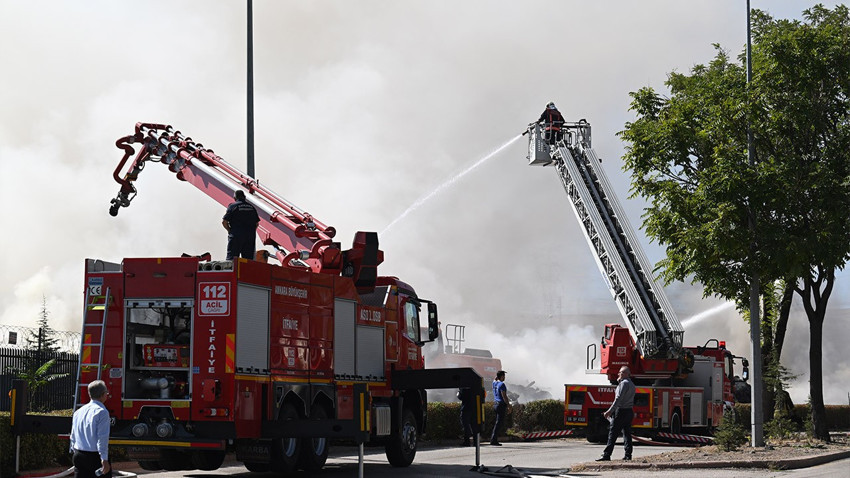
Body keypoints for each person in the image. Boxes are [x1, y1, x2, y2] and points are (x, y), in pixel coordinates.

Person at [70, 380, 111, 478]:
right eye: (106, 392)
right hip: (94, 457)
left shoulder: (78, 412)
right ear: (102, 394)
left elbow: (73, 435)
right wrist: (104, 459)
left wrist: (74, 451)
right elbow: (102, 438)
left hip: (79, 454)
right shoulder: (102, 412)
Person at [597, 366, 635, 461]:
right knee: (627, 434)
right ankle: (628, 455)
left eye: (620, 372)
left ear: (625, 374)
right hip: (629, 411)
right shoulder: (632, 384)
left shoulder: (623, 384)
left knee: (612, 434)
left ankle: (606, 455)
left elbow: (618, 399)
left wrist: (609, 411)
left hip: (620, 412)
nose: (618, 374)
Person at [222, 189, 260, 260]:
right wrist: (250, 231)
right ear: (244, 197)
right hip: (250, 237)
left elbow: (224, 222)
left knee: (232, 260)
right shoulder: (251, 207)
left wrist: (229, 230)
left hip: (236, 236)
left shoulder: (232, 206)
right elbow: (257, 223)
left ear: (235, 198)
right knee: (248, 261)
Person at [489, 370, 510, 446]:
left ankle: (493, 439)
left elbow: (494, 379)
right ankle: (493, 440)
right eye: (504, 376)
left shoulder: (494, 383)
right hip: (501, 405)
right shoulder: (502, 385)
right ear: (501, 376)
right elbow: (504, 396)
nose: (504, 377)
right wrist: (509, 406)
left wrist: (496, 378)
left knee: (497, 423)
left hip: (495, 404)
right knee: (498, 424)